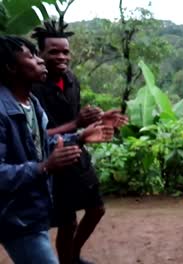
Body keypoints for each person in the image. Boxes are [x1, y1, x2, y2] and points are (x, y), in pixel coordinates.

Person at [0, 36, 113, 264]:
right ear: (11, 68)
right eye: (31, 56)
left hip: (32, 210)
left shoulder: (31, 103)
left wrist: (79, 137)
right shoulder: (3, 111)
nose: (40, 61)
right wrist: (44, 166)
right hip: (15, 216)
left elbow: (40, 144)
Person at [31, 21, 128, 264]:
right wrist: (76, 123)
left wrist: (100, 120)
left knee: (97, 209)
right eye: (53, 52)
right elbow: (40, 135)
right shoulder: (33, 88)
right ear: (39, 55)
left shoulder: (71, 80)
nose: (61, 56)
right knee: (67, 221)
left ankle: (73, 256)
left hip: (78, 153)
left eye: (65, 51)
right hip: (55, 160)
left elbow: (76, 122)